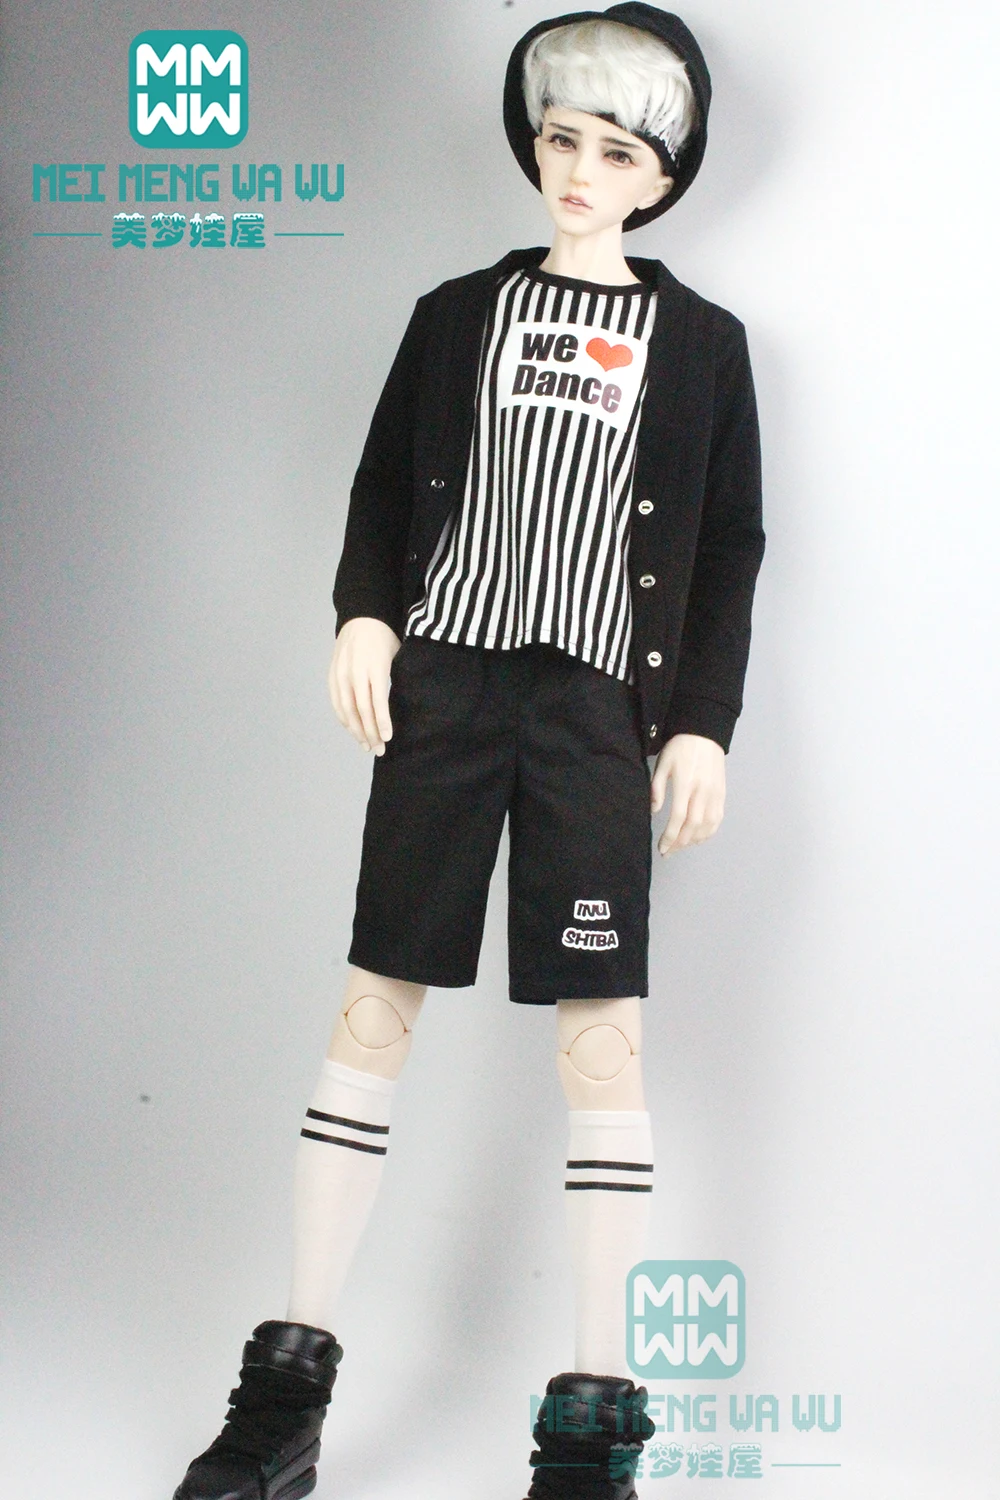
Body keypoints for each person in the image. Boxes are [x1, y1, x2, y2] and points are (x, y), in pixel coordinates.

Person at [172, 6, 764, 1499]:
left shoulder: (703, 348)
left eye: (616, 150)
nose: (580, 171)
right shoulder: (455, 315)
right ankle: (284, 1392)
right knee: (376, 1004)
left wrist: (702, 720)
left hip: (594, 712)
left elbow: (728, 550)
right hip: (445, 686)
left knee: (602, 1039)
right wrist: (367, 613)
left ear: (662, 174)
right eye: (563, 138)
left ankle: (593, 1421)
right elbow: (385, 480)